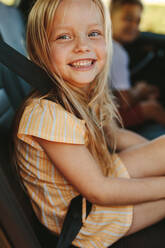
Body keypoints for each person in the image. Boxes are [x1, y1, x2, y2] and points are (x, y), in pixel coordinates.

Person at [13, 0, 165, 247]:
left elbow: (114, 136)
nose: (83, 46)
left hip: (96, 179)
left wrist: (157, 158)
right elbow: (100, 191)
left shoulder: (83, 92)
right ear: (39, 49)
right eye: (64, 36)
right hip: (84, 221)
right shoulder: (47, 115)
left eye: (94, 33)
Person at [110, 0, 165, 139]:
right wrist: (139, 91)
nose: (134, 26)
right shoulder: (116, 52)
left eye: (138, 21)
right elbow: (123, 101)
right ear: (109, 17)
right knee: (152, 107)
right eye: (128, 19)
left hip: (105, 109)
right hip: (108, 119)